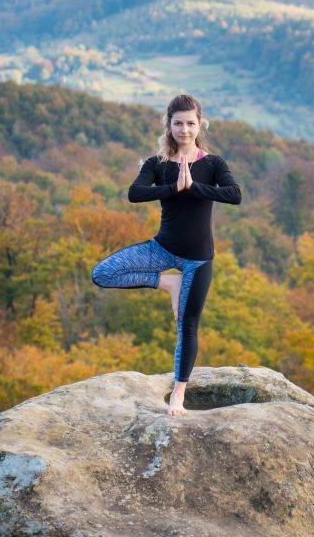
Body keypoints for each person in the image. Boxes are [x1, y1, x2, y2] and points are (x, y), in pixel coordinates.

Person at [90, 93, 242, 416]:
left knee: (187, 326)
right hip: (161, 250)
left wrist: (193, 188)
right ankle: (167, 284)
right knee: (102, 273)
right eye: (178, 123)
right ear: (168, 125)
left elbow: (234, 194)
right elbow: (135, 194)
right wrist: (173, 188)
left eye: (190, 123)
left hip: (198, 259)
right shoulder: (156, 164)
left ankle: (178, 394)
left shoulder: (213, 164)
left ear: (200, 124)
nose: (184, 130)